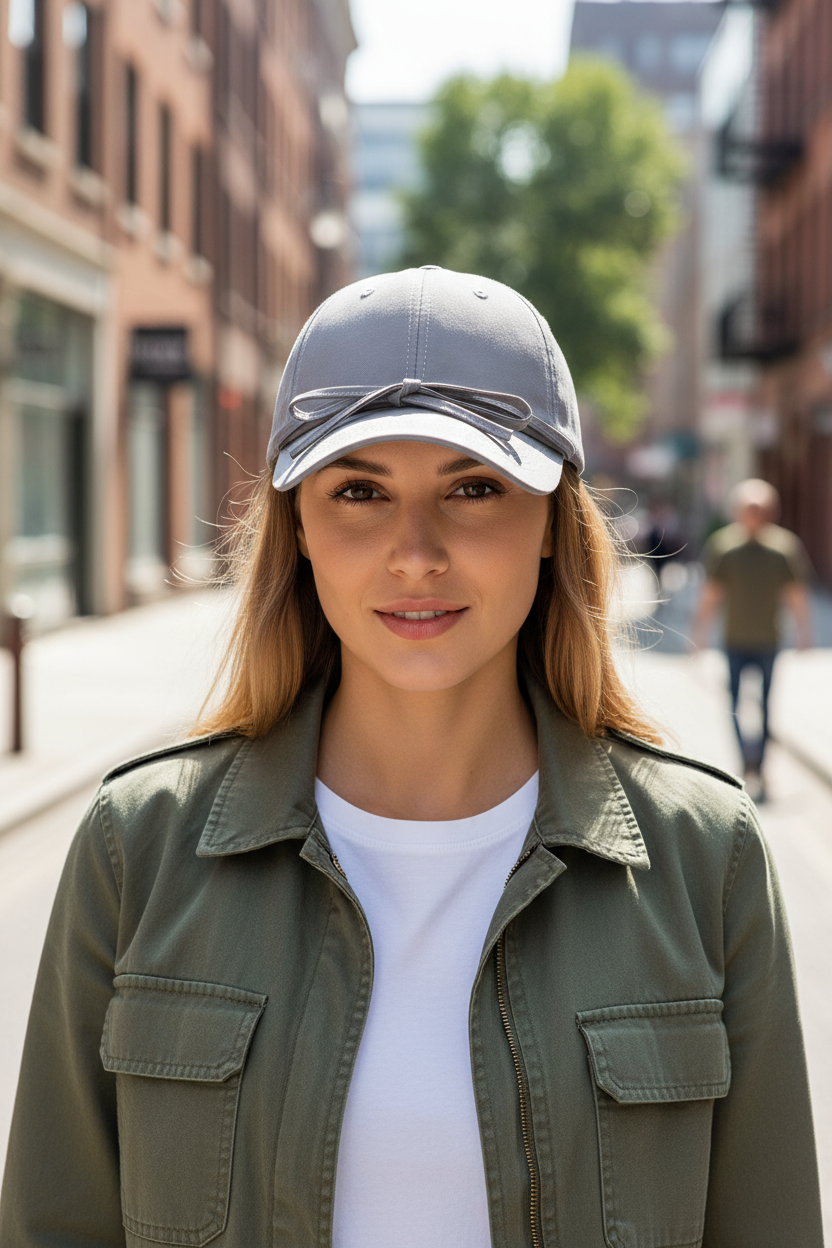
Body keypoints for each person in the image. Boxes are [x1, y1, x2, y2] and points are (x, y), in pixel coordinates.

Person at [0, 267, 822, 1248]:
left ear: (552, 526)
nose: (416, 553)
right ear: (298, 527)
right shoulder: (137, 848)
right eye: (359, 491)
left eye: (474, 488)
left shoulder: (705, 858)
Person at [693, 478, 812, 800]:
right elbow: (711, 594)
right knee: (733, 705)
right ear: (738, 511)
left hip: (769, 641)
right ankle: (745, 761)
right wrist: (699, 634)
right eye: (749, 508)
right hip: (733, 640)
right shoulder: (723, 546)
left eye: (761, 509)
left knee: (765, 706)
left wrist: (804, 633)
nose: (755, 515)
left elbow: (796, 594)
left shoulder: (785, 547)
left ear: (771, 512)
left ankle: (760, 765)